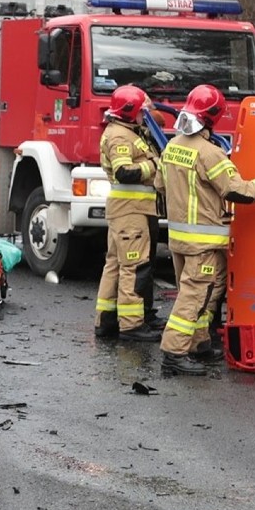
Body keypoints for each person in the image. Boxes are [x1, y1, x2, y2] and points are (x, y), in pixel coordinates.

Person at [155, 84, 255, 375]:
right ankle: (174, 352)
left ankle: (198, 343)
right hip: (202, 242)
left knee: (205, 292)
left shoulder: (172, 146)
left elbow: (159, 185)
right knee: (194, 296)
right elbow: (239, 192)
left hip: (179, 239)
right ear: (213, 116)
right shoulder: (210, 153)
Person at [93, 85, 163, 343]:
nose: (145, 115)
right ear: (130, 111)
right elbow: (125, 172)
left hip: (129, 211)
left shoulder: (125, 131)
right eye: (142, 111)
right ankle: (132, 325)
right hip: (131, 212)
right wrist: (155, 164)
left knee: (115, 265)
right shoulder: (121, 137)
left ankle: (107, 320)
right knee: (134, 266)